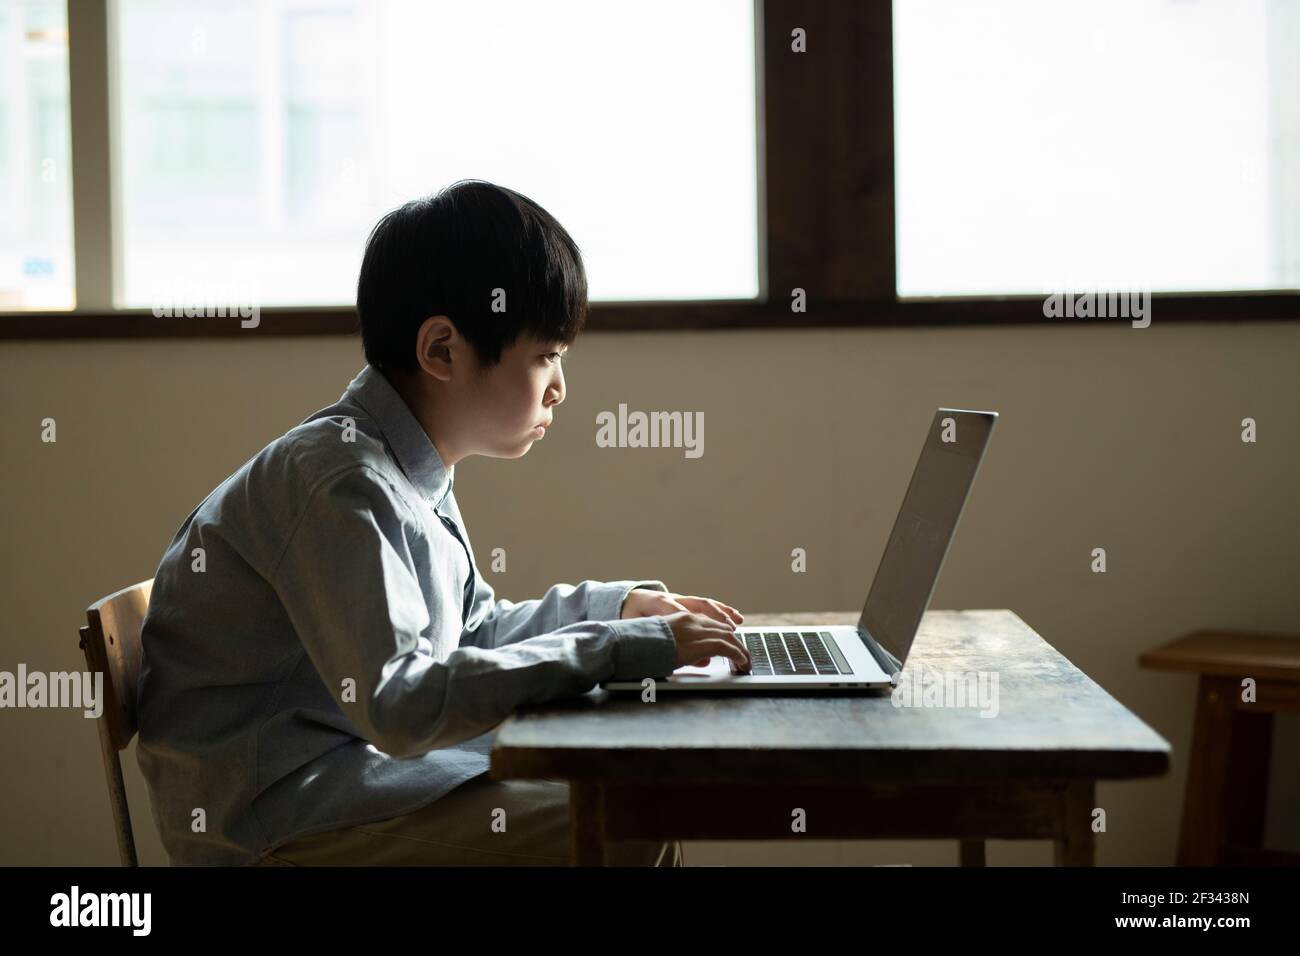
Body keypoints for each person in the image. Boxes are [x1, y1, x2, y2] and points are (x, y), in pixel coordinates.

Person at [135, 179, 752, 866]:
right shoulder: (343, 482)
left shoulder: (405, 464)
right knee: (626, 823)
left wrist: (622, 609)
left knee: (625, 796)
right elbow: (404, 704)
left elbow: (473, 629)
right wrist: (616, 648)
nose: (560, 388)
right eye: (546, 354)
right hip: (275, 820)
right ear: (442, 352)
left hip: (342, 781)